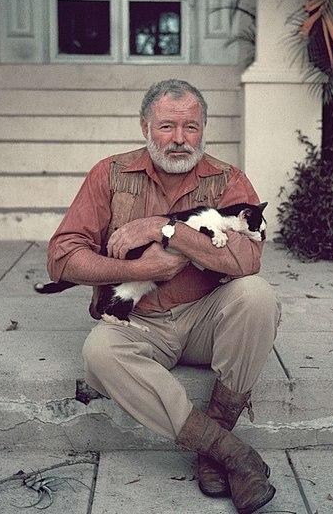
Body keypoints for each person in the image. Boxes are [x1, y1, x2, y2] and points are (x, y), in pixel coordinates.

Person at [46, 79, 281, 513]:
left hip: (204, 320)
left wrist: (164, 230)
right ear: (145, 128)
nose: (178, 139)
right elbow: (61, 258)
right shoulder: (111, 174)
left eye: (190, 127)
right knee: (99, 351)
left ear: (204, 129)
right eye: (166, 126)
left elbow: (248, 260)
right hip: (139, 323)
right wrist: (137, 270)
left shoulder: (228, 180)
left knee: (257, 297)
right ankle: (229, 454)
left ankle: (216, 443)